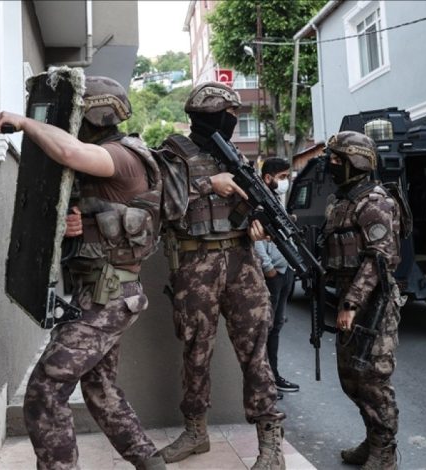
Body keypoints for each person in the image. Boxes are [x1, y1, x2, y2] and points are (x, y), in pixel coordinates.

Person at [0, 76, 165, 470]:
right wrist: (78, 227)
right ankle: (151, 462)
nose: (72, 120)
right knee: (101, 388)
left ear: (97, 114)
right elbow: (101, 216)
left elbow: (68, 152)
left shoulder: (121, 154)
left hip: (109, 295)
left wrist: (26, 122)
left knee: (45, 390)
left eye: (77, 111)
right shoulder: (105, 157)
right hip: (101, 291)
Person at [157, 82, 286, 470]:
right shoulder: (171, 154)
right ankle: (196, 432)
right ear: (209, 116)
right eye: (228, 115)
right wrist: (207, 184)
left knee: (256, 352)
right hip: (195, 263)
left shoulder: (237, 158)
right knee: (196, 351)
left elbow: (254, 206)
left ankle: (270, 443)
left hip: (242, 262)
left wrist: (259, 223)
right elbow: (159, 201)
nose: (233, 122)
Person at [323, 131, 402, 469]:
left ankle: (385, 450)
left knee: (373, 380)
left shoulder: (376, 202)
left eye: (337, 158)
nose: (331, 163)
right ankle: (372, 440)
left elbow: (379, 258)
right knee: (351, 378)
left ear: (356, 161)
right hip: (347, 297)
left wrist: (351, 303)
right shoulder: (341, 202)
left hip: (374, 303)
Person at [254, 157, 299, 397]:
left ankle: (274, 375)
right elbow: (257, 239)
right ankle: (266, 380)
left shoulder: (275, 199)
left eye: (287, 177)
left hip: (285, 271)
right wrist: (268, 267)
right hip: (273, 274)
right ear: (268, 177)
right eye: (282, 177)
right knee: (267, 328)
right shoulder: (260, 200)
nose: (286, 181)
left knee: (277, 326)